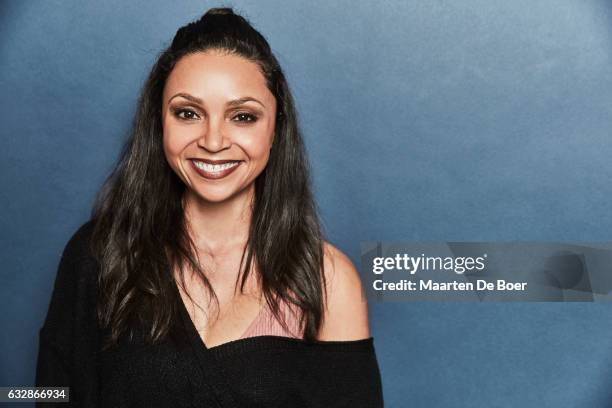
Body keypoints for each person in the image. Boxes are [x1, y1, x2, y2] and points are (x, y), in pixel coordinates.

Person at [36, 7, 383, 407]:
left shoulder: (329, 279)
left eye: (242, 116)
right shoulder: (98, 254)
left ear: (275, 128)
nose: (213, 141)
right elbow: (50, 393)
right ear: (159, 123)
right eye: (188, 113)